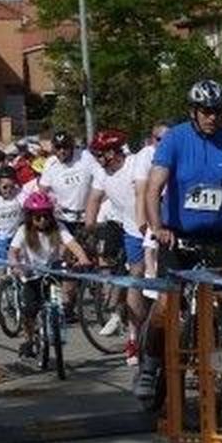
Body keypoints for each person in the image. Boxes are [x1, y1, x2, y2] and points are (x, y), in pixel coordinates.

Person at [136, 79, 222, 409]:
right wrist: (158, 227)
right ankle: (149, 365)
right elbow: (153, 188)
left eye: (218, 112)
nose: (212, 117)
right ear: (193, 111)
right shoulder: (175, 139)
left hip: (217, 236)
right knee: (164, 306)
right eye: (206, 111)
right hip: (177, 235)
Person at [7, 190, 92, 362]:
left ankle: (56, 322)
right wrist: (16, 265)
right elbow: (13, 252)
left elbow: (72, 244)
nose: (42, 220)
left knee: (56, 302)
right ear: (30, 217)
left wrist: (83, 258)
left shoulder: (58, 227)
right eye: (37, 217)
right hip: (31, 274)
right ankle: (29, 340)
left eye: (46, 216)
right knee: (30, 310)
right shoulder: (23, 230)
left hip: (51, 271)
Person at [83, 129, 145, 341]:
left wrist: (145, 226)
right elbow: (93, 199)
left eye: (99, 155)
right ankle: (133, 336)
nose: (97, 160)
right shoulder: (102, 173)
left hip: (151, 227)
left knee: (149, 278)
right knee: (134, 277)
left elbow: (142, 192)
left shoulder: (135, 163)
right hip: (129, 230)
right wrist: (88, 229)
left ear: (111, 153)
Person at [39, 131, 99, 236]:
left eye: (65, 147)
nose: (61, 151)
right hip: (63, 219)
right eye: (57, 148)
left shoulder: (85, 156)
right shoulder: (50, 163)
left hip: (88, 216)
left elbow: (101, 179)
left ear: (72, 147)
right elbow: (43, 190)